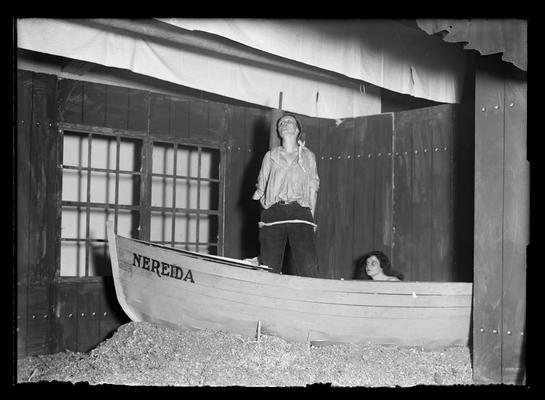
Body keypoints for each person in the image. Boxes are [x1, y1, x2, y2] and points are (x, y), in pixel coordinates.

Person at [252, 114, 320, 277]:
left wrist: (311, 217)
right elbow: (260, 188)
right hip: (274, 212)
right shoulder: (270, 156)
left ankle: (310, 300)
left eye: (289, 121)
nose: (284, 123)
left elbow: (313, 188)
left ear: (297, 130)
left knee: (308, 268)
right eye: (281, 123)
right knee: (269, 268)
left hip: (300, 212)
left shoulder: (308, 156)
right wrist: (266, 211)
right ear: (278, 131)